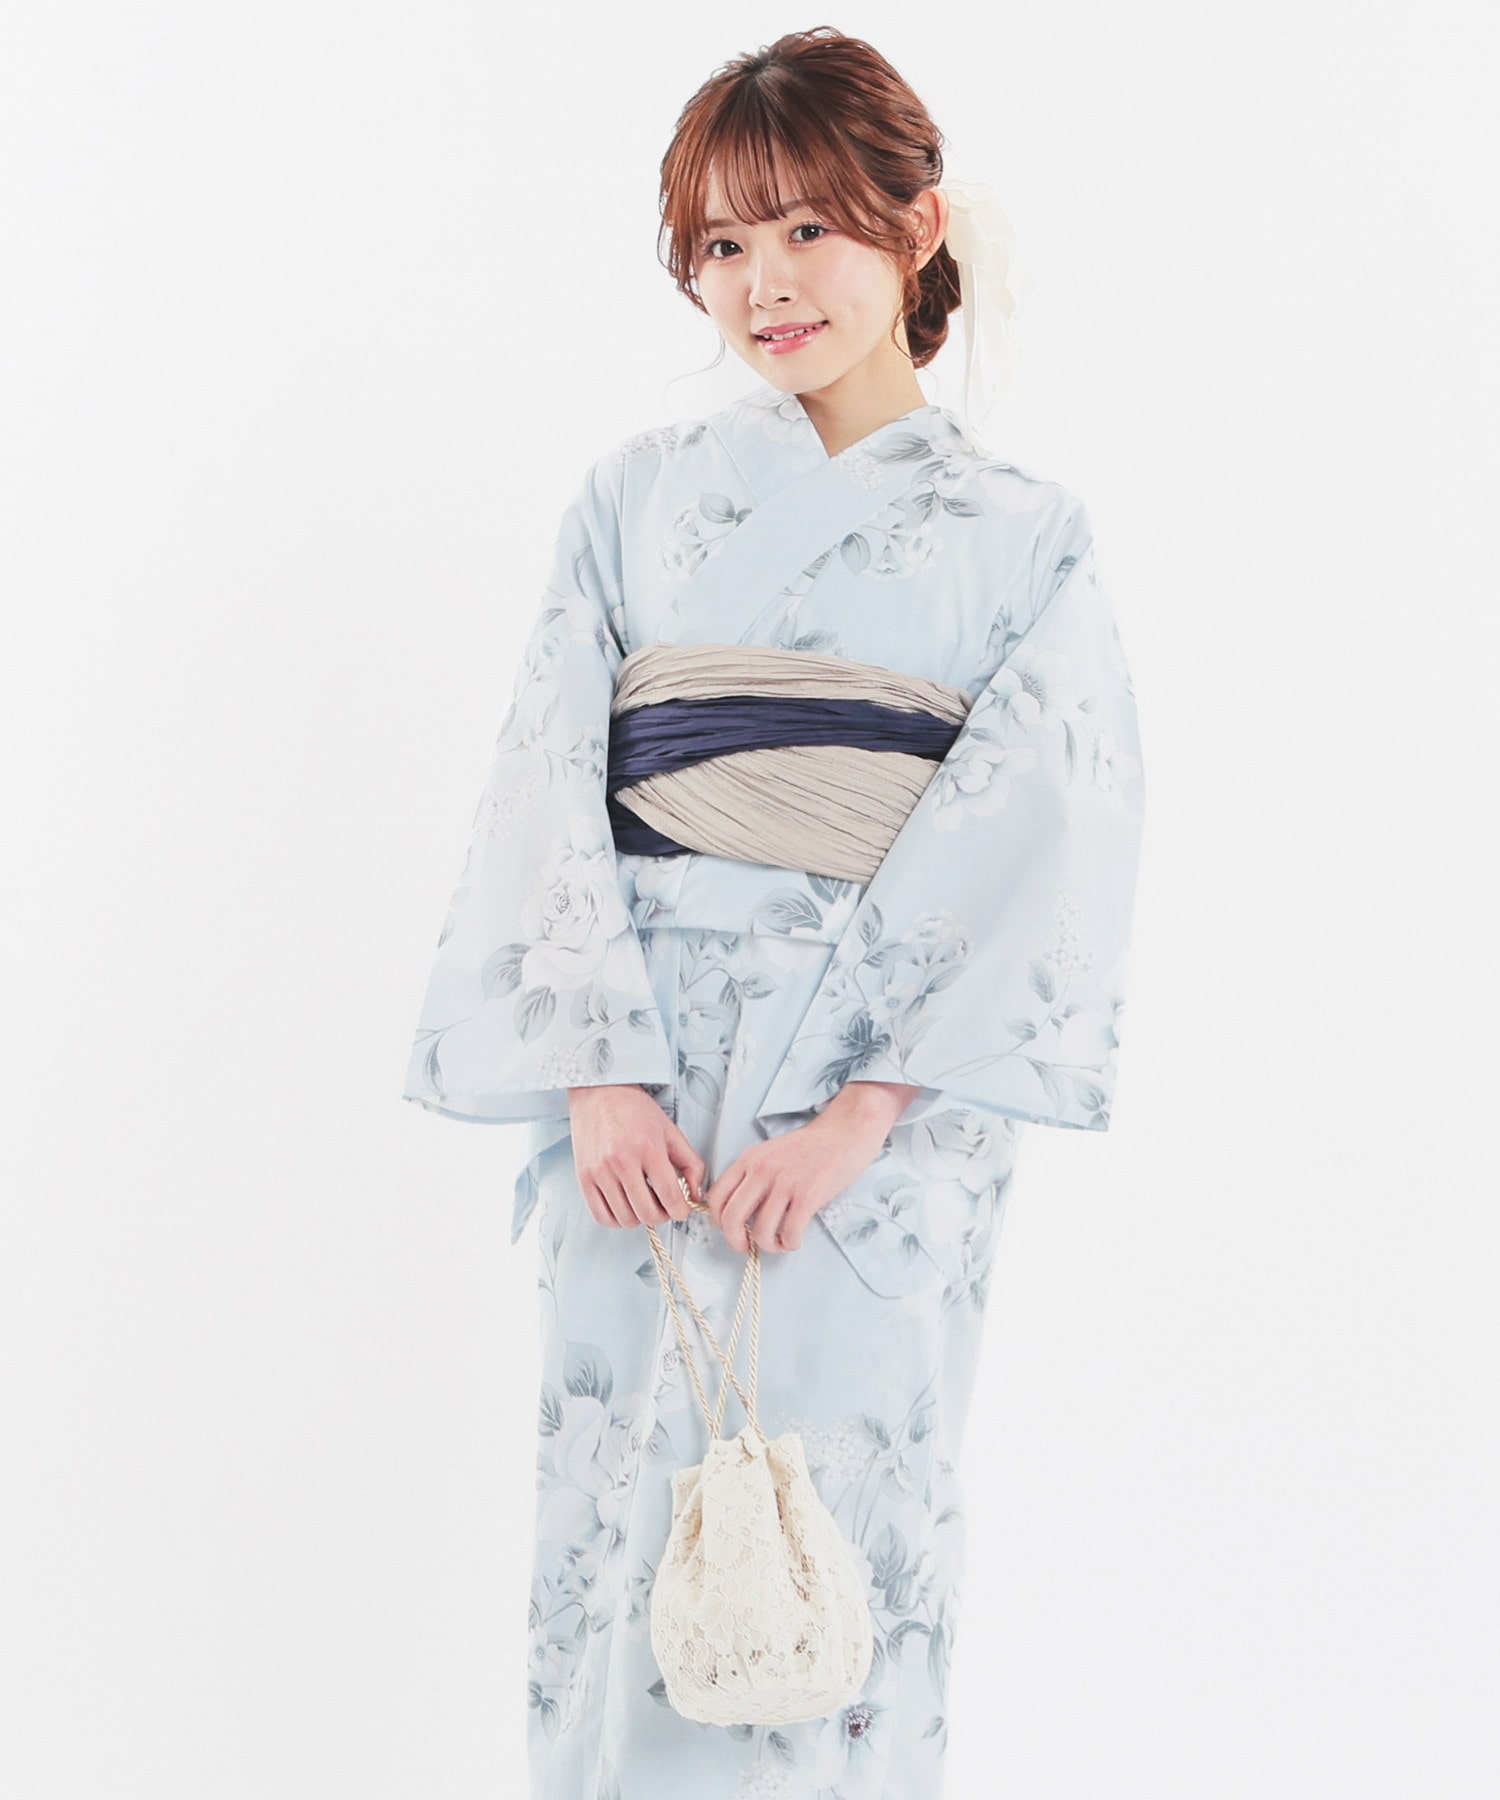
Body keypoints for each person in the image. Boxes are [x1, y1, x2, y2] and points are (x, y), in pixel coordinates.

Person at [401, 25, 1145, 1798]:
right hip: (642, 1088)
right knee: (625, 1523)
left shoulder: (1022, 534)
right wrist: (595, 1077)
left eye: (810, 228)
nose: (766, 283)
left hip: (873, 1121)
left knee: (841, 1521)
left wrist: (859, 1117)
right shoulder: (633, 500)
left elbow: (1047, 833)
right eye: (723, 244)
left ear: (917, 226)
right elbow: (544, 775)